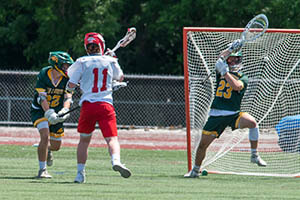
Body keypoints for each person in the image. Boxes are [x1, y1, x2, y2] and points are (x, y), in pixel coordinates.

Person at [184, 41, 267, 178]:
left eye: (236, 59)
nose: (234, 62)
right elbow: (220, 58)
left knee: (252, 122)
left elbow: (236, 87)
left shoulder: (243, 77)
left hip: (233, 114)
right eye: (231, 59)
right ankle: (195, 171)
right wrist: (230, 48)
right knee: (202, 145)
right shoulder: (220, 73)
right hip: (216, 115)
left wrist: (225, 72)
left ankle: (254, 155)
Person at [66, 32, 131, 183]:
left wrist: (71, 92)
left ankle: (80, 174)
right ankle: (116, 161)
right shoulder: (109, 60)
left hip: (88, 106)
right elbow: (120, 77)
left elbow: (71, 82)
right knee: (112, 139)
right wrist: (112, 59)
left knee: (84, 141)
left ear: (87, 47)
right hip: (105, 106)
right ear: (101, 45)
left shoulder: (81, 61)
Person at [31, 51, 74, 178]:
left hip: (58, 110)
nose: (67, 68)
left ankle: (47, 149)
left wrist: (65, 110)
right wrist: (49, 112)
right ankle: (42, 170)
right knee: (44, 136)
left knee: (56, 146)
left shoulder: (67, 78)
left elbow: (68, 97)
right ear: (56, 64)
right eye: (65, 65)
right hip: (40, 109)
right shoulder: (44, 73)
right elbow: (42, 98)